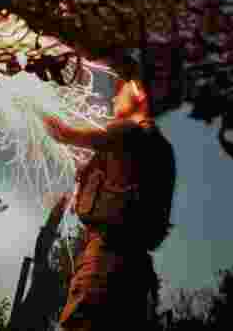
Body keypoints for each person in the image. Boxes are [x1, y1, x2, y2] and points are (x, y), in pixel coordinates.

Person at [41, 78, 177, 331]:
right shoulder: (160, 148)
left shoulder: (128, 133)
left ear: (139, 93)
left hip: (105, 263)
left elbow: (62, 133)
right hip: (136, 271)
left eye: (121, 93)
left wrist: (30, 100)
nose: (114, 99)